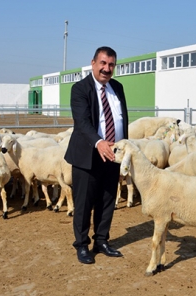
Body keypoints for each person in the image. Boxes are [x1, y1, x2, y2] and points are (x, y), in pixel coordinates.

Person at [64, 46, 129, 264]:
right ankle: (81, 245)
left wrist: (122, 148)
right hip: (87, 156)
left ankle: (101, 240)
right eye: (102, 63)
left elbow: (121, 120)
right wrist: (99, 142)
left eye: (111, 64)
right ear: (93, 63)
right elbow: (82, 122)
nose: (106, 68)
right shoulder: (80, 89)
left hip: (112, 155)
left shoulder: (118, 88)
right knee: (83, 202)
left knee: (107, 199)